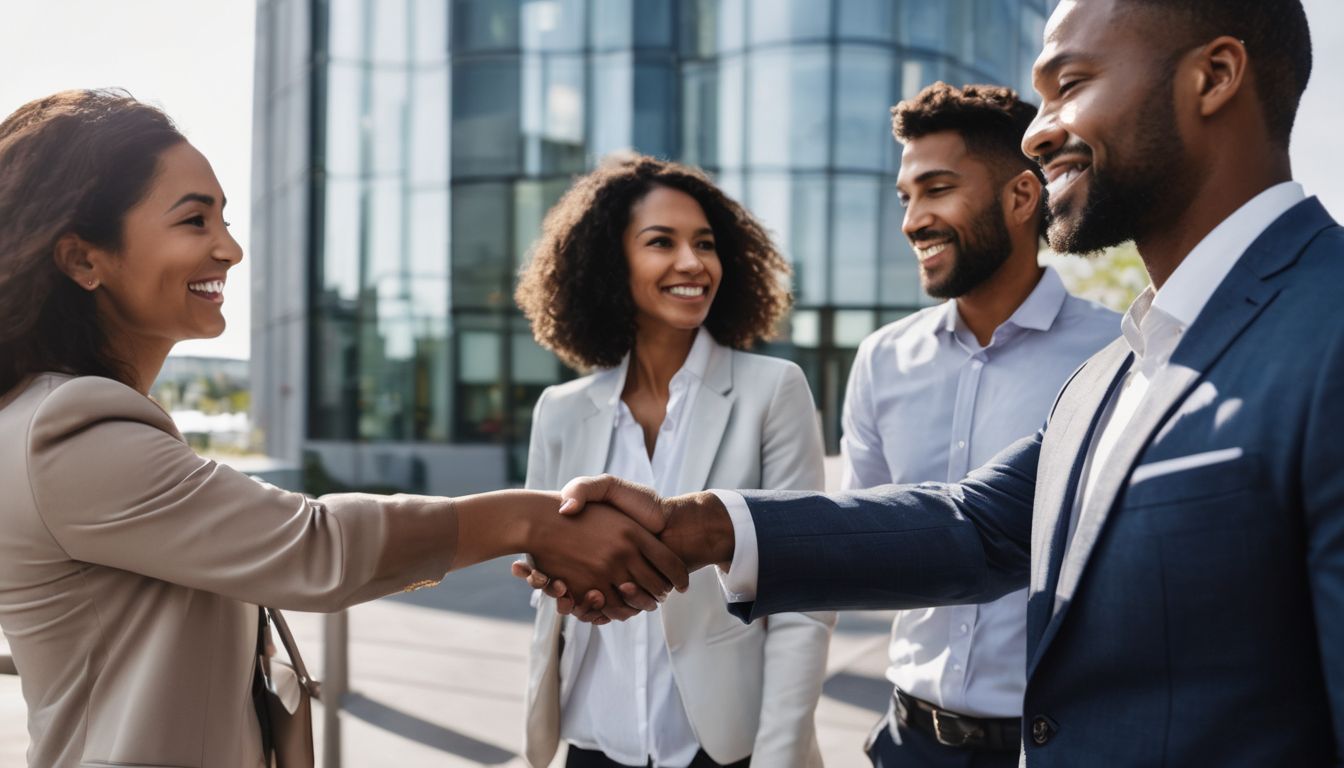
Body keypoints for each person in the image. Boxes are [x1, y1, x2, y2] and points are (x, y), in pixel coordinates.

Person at [536, 0, 1344, 764]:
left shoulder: (1326, 326)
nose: (1041, 132)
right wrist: (699, 528)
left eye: (1072, 84)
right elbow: (976, 528)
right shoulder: (1117, 370)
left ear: (1215, 75)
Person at [0, 89, 685, 768]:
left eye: (225, 220)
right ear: (84, 259)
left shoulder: (65, 416)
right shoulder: (71, 427)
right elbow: (313, 546)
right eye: (194, 222)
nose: (231, 250)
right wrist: (530, 520)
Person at [513, 156, 835, 768]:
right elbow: (547, 575)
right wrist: (551, 576)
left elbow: (804, 594)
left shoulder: (774, 390)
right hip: (591, 738)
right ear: (613, 263)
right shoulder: (560, 410)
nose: (693, 263)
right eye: (661, 242)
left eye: (706, 244)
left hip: (725, 747)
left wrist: (778, 756)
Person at [847, 83, 1116, 767]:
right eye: (905, 197)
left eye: (936, 189)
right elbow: (862, 539)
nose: (912, 220)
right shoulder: (882, 359)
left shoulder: (1117, 357)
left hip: (1056, 741)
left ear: (1023, 198)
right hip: (909, 739)